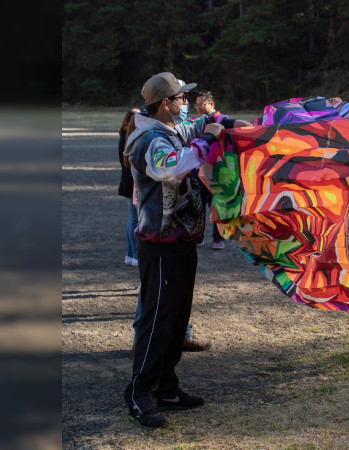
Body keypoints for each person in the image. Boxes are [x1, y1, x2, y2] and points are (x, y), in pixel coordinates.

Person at [122, 72, 244, 428]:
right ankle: (140, 394)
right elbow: (174, 167)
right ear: (166, 103)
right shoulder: (149, 139)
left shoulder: (172, 128)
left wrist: (227, 124)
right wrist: (208, 139)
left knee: (176, 321)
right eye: (181, 98)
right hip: (159, 247)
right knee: (157, 321)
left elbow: (202, 123)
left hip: (180, 242)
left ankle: (167, 388)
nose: (186, 104)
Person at [192, 90, 225, 250]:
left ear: (211, 104)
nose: (198, 107)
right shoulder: (196, 122)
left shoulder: (222, 120)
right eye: (196, 104)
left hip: (217, 171)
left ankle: (218, 239)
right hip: (199, 171)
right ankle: (199, 237)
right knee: (199, 205)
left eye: (201, 104)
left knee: (217, 206)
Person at [118, 108, 140, 266]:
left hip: (127, 183)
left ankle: (130, 254)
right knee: (135, 221)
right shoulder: (130, 137)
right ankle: (135, 255)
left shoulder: (124, 135)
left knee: (132, 220)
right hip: (132, 183)